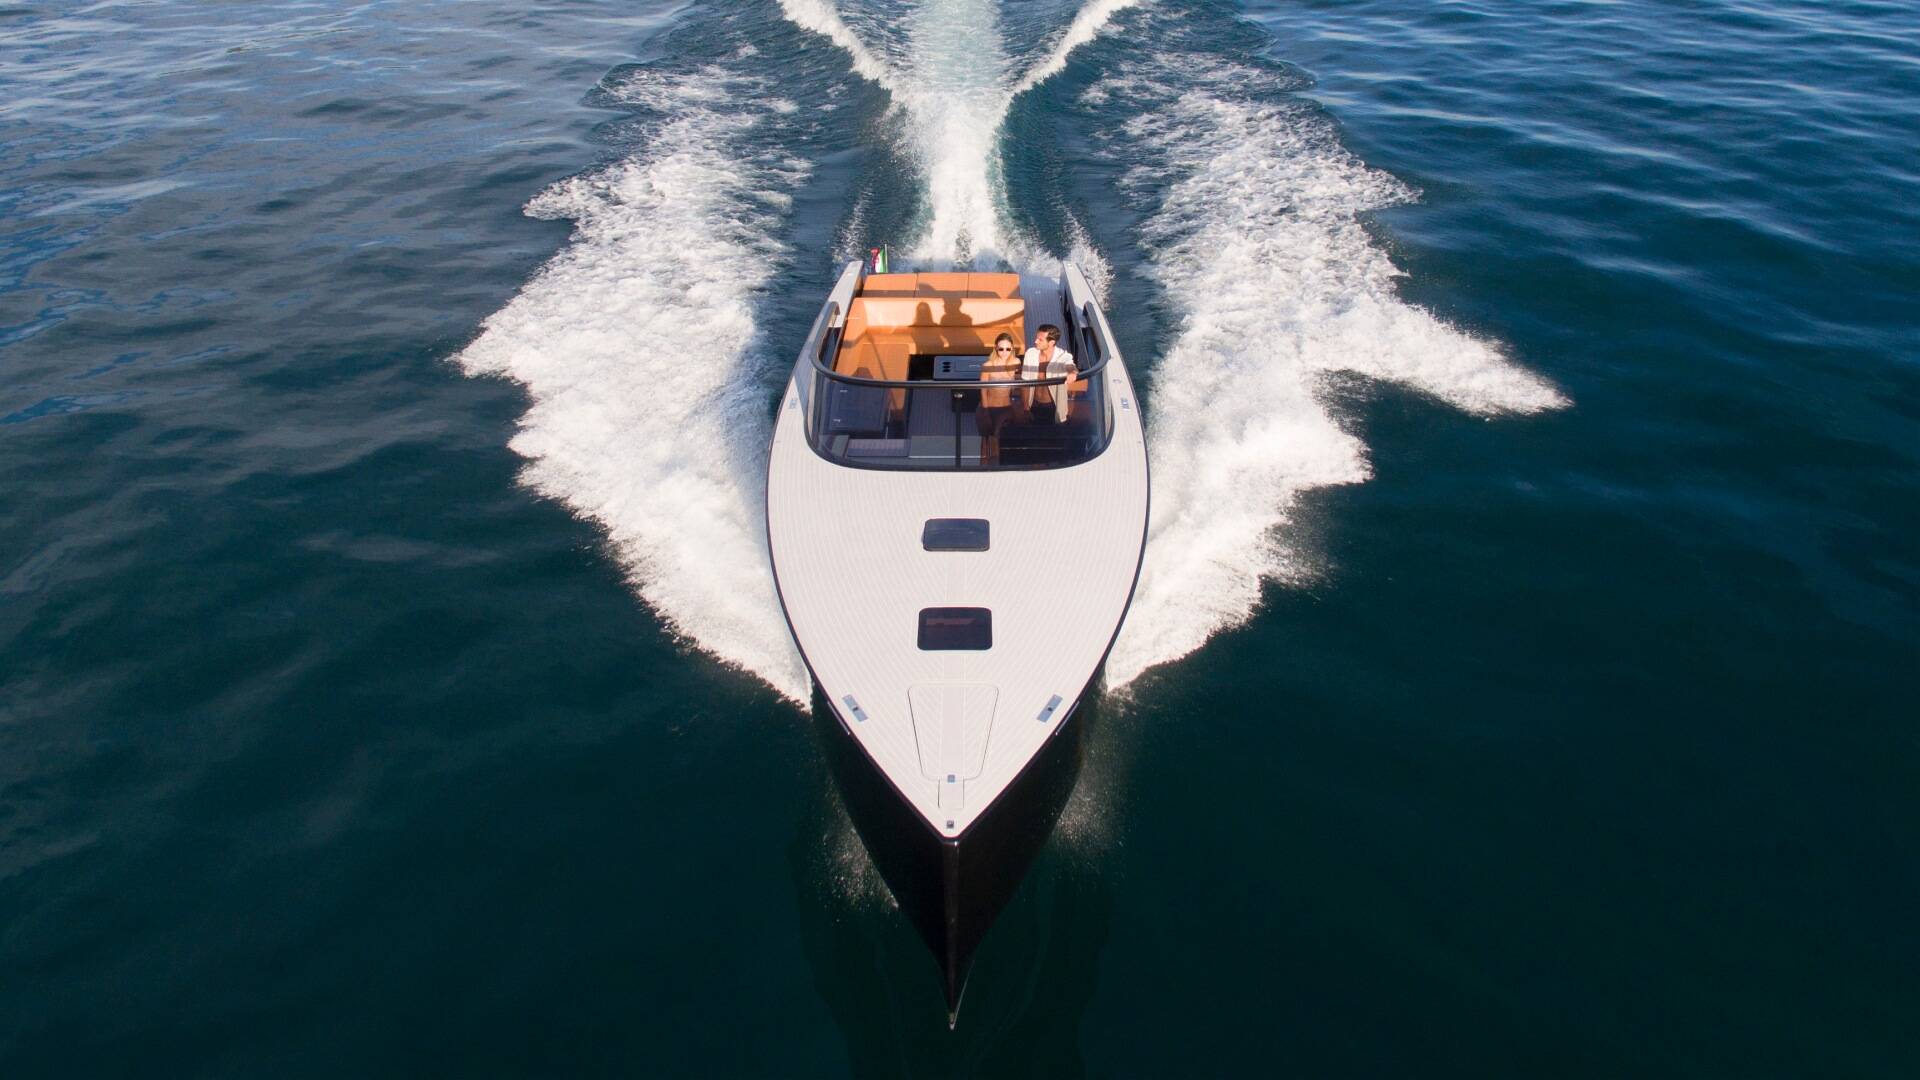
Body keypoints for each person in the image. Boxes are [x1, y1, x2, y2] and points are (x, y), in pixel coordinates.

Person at [975, 332, 1022, 464]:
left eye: (1008, 349)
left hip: (1006, 408)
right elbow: (983, 389)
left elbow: (1020, 382)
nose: (1004, 352)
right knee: (985, 442)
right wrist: (985, 411)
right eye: (1001, 349)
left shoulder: (1016, 362)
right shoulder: (988, 365)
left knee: (998, 440)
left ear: (1012, 348)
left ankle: (997, 471)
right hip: (989, 407)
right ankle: (982, 470)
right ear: (996, 348)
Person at [1022, 324, 1076, 423]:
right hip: (1033, 404)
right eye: (1036, 338)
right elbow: (1025, 382)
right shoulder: (1030, 354)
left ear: (1051, 342)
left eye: (1040, 340)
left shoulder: (1062, 356)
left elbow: (1070, 364)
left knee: (1053, 436)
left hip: (1053, 407)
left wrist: (1072, 372)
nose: (1035, 341)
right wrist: (1026, 407)